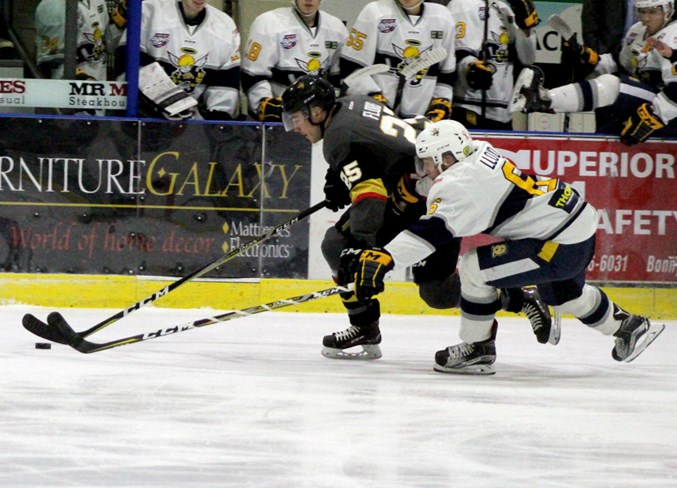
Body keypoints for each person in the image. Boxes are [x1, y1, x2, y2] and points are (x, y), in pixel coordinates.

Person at [343, 120, 665, 374]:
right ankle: (630, 327)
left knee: (472, 268)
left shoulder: (459, 185)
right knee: (565, 296)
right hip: (573, 223)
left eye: (427, 162)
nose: (423, 169)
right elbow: (445, 186)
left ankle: (476, 348)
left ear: (445, 158)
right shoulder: (478, 150)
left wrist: (385, 257)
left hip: (556, 241)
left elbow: (433, 231)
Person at [280, 75, 554, 360]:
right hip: (421, 189)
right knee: (342, 248)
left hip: (430, 199)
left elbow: (370, 198)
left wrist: (362, 248)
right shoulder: (354, 103)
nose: (294, 127)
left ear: (317, 112)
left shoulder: (338, 136)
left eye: (296, 118)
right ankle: (364, 328)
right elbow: (381, 145)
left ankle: (520, 297)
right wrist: (339, 173)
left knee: (431, 290)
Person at [510, 0, 677, 144]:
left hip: (669, 112)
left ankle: (544, 99)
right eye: (642, 11)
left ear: (668, 9)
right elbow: (619, 63)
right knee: (608, 137)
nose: (646, 18)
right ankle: (541, 100)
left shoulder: (673, 34)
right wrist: (590, 57)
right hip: (648, 102)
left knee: (614, 85)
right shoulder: (637, 31)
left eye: (653, 12)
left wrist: (653, 116)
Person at [115, 0, 241, 120]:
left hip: (191, 126)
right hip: (145, 119)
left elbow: (225, 85)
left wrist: (210, 123)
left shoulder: (225, 26)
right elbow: (129, 62)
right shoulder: (149, 11)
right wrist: (171, 102)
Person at [339, 0, 457, 122]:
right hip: (375, 119)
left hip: (422, 121)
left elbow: (447, 74)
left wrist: (441, 100)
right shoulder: (374, 12)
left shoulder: (443, 18)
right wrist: (372, 97)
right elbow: (351, 68)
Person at [241, 0, 348, 122]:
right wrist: (270, 108)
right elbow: (252, 75)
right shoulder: (268, 23)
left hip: (319, 120)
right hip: (277, 122)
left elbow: (338, 77)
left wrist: (328, 109)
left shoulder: (337, 28)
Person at [447, 0, 538, 129]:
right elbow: (456, 53)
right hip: (469, 106)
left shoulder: (505, 9)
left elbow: (528, 59)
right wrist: (470, 68)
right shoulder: (461, 4)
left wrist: (526, 28)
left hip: (503, 112)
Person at [35, 0, 111, 80]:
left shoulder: (98, 2)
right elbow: (51, 60)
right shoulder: (51, 6)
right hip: (64, 85)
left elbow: (105, 37)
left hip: (98, 80)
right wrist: (78, 77)